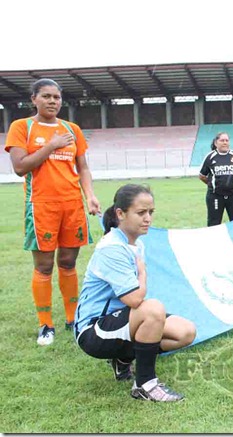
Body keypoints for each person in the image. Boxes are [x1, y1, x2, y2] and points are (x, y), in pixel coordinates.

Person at [74, 184, 196, 402]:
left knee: (185, 332)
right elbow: (134, 299)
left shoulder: (136, 244)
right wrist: (142, 273)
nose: (148, 218)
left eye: (150, 212)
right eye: (141, 213)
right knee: (152, 309)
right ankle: (145, 384)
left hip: (119, 323)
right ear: (120, 214)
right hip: (92, 331)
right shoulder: (112, 248)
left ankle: (123, 359)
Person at [4, 78, 100, 346]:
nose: (52, 102)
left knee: (68, 263)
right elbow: (20, 167)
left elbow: (83, 168)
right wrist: (51, 145)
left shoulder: (72, 129)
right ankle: (46, 324)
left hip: (72, 204)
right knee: (44, 266)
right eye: (46, 96)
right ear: (33, 98)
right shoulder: (22, 127)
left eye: (56, 97)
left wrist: (90, 195)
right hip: (41, 206)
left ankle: (73, 318)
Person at [199, 132, 233, 226]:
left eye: (227, 140)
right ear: (216, 143)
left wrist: (232, 182)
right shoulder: (210, 157)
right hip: (215, 196)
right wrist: (214, 184)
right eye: (222, 140)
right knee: (214, 224)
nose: (225, 142)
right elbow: (202, 176)